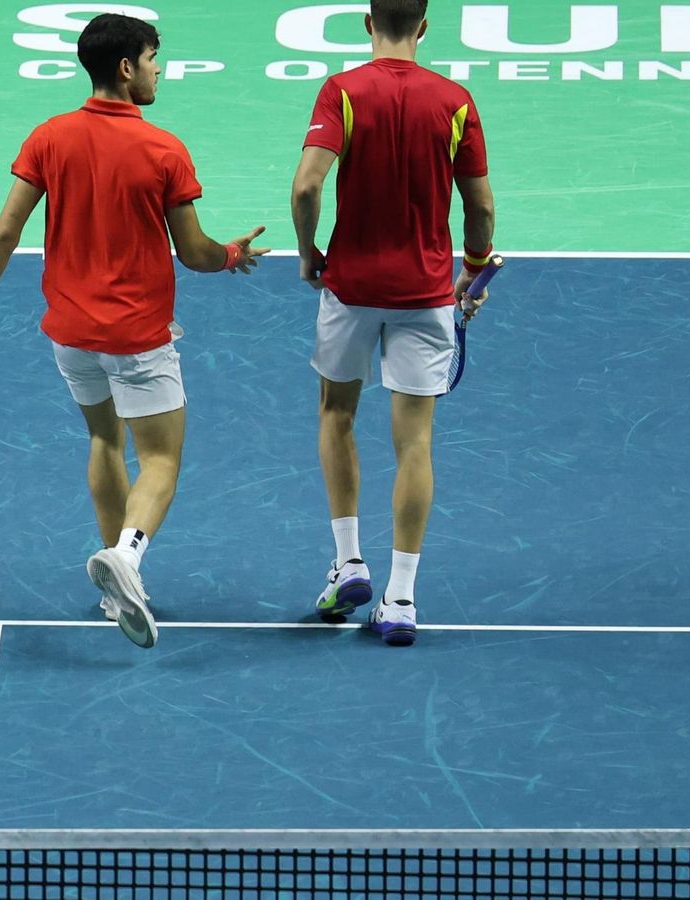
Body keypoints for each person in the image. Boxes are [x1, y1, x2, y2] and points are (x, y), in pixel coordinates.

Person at [0, 12, 268, 649]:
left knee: (102, 439)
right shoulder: (163, 148)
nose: (158, 69)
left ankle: (111, 583)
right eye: (152, 57)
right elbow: (195, 252)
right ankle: (130, 556)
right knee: (161, 458)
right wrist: (233, 255)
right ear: (126, 67)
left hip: (70, 333)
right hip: (138, 337)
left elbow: (5, 231)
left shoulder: (49, 137)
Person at [289, 0, 497, 646]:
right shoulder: (455, 101)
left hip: (351, 287)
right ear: (425, 27)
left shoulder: (343, 92)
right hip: (426, 293)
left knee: (336, 415)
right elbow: (481, 205)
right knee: (415, 442)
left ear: (368, 23)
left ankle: (349, 561)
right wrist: (473, 266)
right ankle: (401, 598)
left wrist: (308, 251)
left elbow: (305, 188)